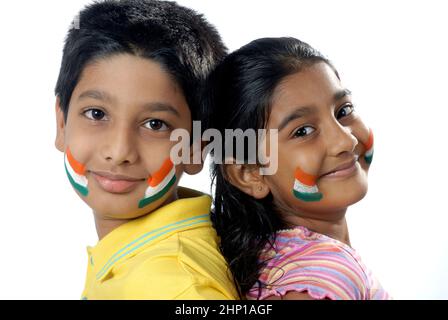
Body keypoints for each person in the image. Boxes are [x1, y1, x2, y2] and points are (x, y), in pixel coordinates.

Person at [54, 0, 237, 300]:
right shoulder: (145, 261)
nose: (119, 150)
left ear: (196, 148)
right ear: (61, 123)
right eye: (97, 114)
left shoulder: (174, 284)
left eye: (155, 124)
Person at [205, 37, 391, 300]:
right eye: (303, 131)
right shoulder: (324, 275)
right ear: (250, 173)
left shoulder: (283, 262)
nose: (345, 140)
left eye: (343, 110)